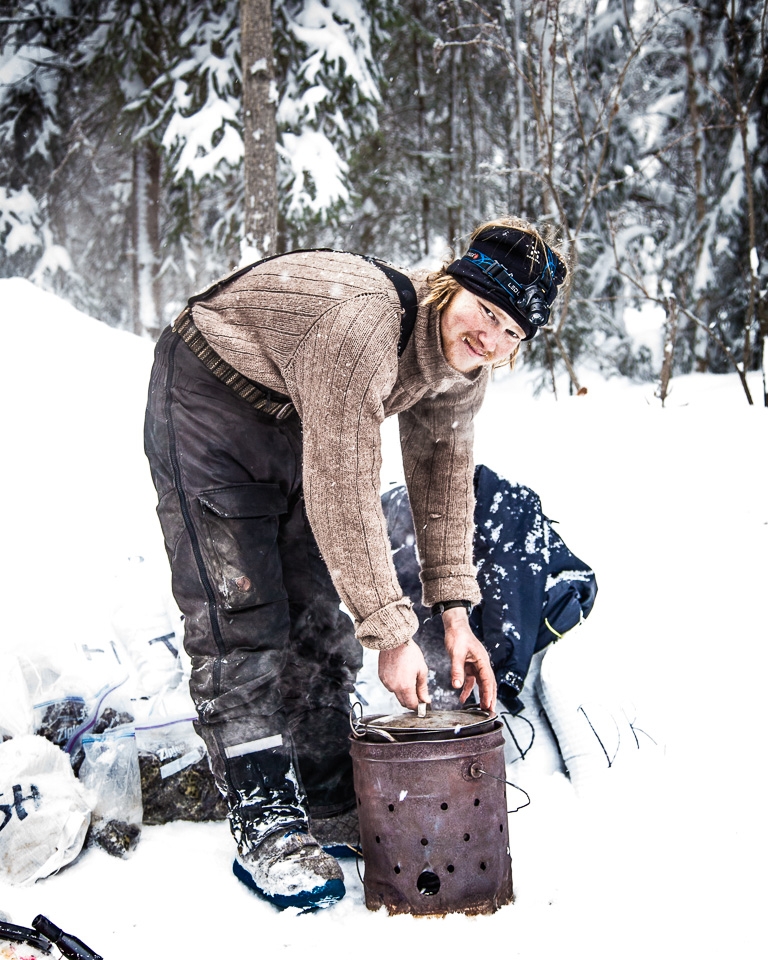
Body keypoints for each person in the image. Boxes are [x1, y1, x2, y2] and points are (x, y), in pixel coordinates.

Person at [143, 217, 567, 910]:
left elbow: (443, 483)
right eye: (486, 310)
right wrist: (394, 634)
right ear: (452, 284)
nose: (491, 339)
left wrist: (454, 614)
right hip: (207, 397)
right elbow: (345, 487)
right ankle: (264, 811)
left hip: (294, 408)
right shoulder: (363, 325)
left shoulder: (463, 367)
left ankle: (327, 790)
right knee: (241, 608)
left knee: (317, 607)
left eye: (513, 332)